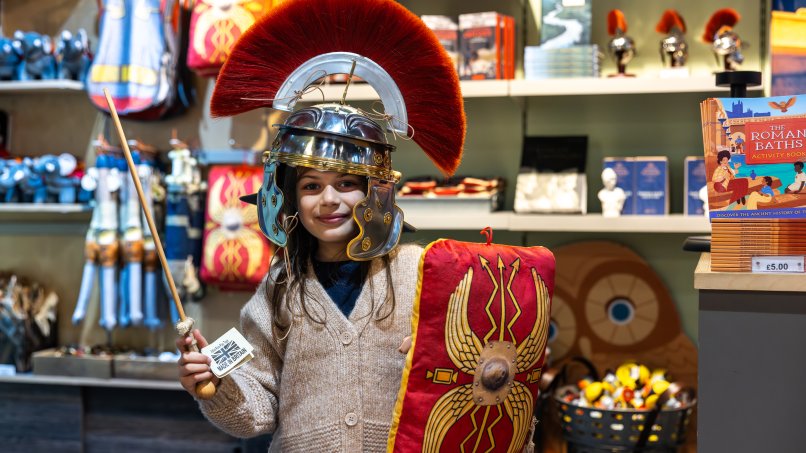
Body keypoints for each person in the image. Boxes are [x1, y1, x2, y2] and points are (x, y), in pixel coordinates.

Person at [174, 0, 465, 450]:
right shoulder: (280, 286)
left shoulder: (422, 274)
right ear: (289, 196)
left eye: (347, 183)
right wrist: (216, 385)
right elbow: (259, 405)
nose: (329, 199)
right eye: (311, 185)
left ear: (376, 189)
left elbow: (467, 377)